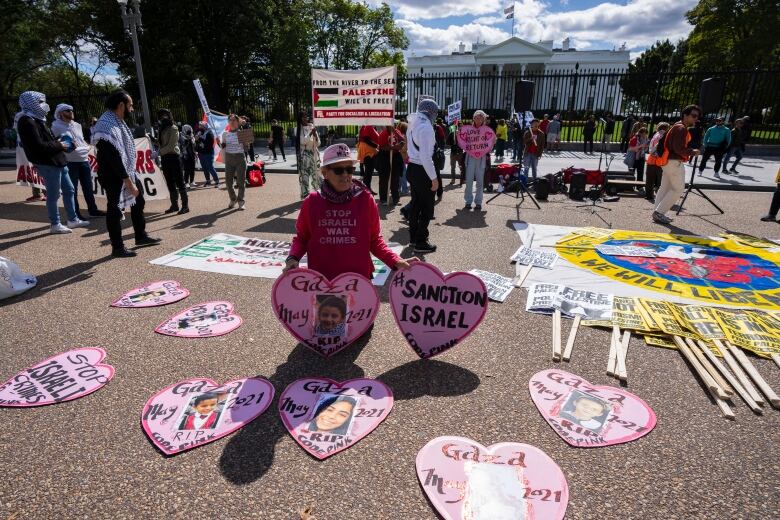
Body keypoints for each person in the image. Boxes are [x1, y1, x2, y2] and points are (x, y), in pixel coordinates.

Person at [283, 143, 413, 280]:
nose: (345, 174)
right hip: (322, 281)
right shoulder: (312, 202)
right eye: (339, 170)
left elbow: (374, 240)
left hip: (358, 281)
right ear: (325, 173)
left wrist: (395, 261)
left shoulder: (365, 199)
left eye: (349, 169)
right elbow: (302, 238)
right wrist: (293, 258)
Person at [93, 90, 161, 257]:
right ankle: (117, 247)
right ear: (121, 105)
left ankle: (141, 236)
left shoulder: (117, 121)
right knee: (114, 210)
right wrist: (128, 182)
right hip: (113, 175)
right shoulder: (106, 125)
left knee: (139, 201)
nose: (132, 108)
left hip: (127, 171)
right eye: (130, 105)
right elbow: (113, 158)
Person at [16, 91, 89, 234]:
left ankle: (72, 220)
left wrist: (62, 142)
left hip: (58, 160)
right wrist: (60, 144)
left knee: (69, 190)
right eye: (40, 102)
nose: (44, 105)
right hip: (47, 163)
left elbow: (48, 141)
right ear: (31, 103)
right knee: (54, 194)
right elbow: (38, 146)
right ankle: (55, 224)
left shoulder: (38, 119)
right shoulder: (26, 121)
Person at [51, 103, 105, 219]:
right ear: (60, 113)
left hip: (84, 159)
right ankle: (76, 213)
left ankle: (93, 210)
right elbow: (57, 143)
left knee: (88, 187)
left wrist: (87, 146)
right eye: (67, 110)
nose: (71, 112)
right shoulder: (55, 126)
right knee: (72, 189)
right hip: (70, 161)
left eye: (71, 110)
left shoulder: (77, 125)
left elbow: (81, 140)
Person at [652, 104, 701, 224]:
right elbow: (678, 148)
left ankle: (657, 211)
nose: (696, 118)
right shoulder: (681, 128)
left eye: (697, 116)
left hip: (667, 161)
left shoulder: (676, 126)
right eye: (693, 116)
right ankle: (659, 213)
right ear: (685, 115)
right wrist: (692, 152)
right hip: (674, 162)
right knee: (678, 189)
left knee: (665, 187)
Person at [406, 99, 441, 254]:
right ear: (430, 112)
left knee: (415, 204)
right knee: (427, 207)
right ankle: (421, 241)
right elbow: (426, 157)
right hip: (422, 170)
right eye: (435, 112)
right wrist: (434, 179)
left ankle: (414, 238)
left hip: (412, 167)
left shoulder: (412, 122)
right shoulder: (426, 127)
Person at [157, 109, 189, 214]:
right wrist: (153, 139)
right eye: (161, 116)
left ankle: (185, 206)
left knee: (180, 182)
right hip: (165, 158)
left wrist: (158, 152)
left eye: (165, 116)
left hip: (174, 157)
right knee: (170, 182)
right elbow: (161, 143)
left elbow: (171, 145)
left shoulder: (173, 128)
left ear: (169, 116)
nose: (163, 118)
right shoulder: (162, 128)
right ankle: (174, 205)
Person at [463, 110, 490, 212]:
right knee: (469, 180)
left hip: (481, 158)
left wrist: (492, 143)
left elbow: (489, 145)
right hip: (470, 157)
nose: (478, 119)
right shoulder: (468, 129)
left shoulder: (487, 130)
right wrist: (458, 135)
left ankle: (478, 202)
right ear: (473, 118)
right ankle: (468, 201)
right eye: (476, 117)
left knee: (480, 182)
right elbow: (463, 142)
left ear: (483, 119)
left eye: (480, 117)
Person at [220, 114, 248, 209]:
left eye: (234, 120)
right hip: (229, 159)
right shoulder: (225, 134)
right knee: (228, 182)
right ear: (228, 122)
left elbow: (247, 148)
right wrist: (220, 144)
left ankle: (241, 201)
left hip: (240, 158)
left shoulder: (241, 133)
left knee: (241, 181)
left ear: (237, 122)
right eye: (230, 120)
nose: (232, 121)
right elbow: (223, 146)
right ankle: (233, 198)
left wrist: (246, 142)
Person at [375, 123, 404, 206]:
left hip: (395, 157)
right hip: (385, 157)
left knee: (395, 179)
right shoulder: (383, 134)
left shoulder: (396, 131)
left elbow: (402, 141)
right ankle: (383, 199)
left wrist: (400, 145)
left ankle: (396, 198)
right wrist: (393, 148)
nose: (392, 125)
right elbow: (382, 146)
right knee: (384, 179)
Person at [645, 122, 670, 203]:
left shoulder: (655, 135)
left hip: (651, 160)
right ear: (666, 129)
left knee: (649, 180)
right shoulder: (665, 136)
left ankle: (649, 195)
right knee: (661, 181)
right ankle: (660, 197)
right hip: (660, 161)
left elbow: (650, 148)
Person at [298, 113, 321, 200]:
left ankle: (317, 193)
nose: (305, 118)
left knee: (316, 174)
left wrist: (315, 135)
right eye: (303, 116)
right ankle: (305, 195)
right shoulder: (298, 129)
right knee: (304, 176)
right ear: (300, 118)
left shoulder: (312, 127)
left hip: (314, 154)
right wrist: (311, 133)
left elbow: (318, 143)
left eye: (306, 116)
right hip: (304, 155)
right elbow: (303, 141)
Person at [195, 121, 219, 186]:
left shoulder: (209, 133)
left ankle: (216, 181)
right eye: (199, 126)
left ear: (205, 126)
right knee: (204, 167)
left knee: (210, 167)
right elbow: (197, 142)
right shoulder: (199, 132)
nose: (200, 127)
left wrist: (200, 139)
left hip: (208, 152)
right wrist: (197, 139)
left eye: (201, 125)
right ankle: (208, 180)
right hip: (201, 153)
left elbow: (209, 143)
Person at [357, 125, 379, 194]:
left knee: (368, 172)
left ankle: (367, 189)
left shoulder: (369, 126)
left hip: (369, 151)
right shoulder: (368, 126)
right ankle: (366, 190)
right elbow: (366, 139)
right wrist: (376, 146)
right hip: (368, 152)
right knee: (368, 172)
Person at [449, 120, 465, 184]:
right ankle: (453, 179)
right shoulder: (452, 133)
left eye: (461, 126)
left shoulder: (463, 134)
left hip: (460, 152)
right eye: (459, 126)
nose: (460, 127)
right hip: (453, 152)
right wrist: (453, 139)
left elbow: (465, 142)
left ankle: (462, 179)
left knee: (461, 166)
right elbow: (447, 142)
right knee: (453, 167)